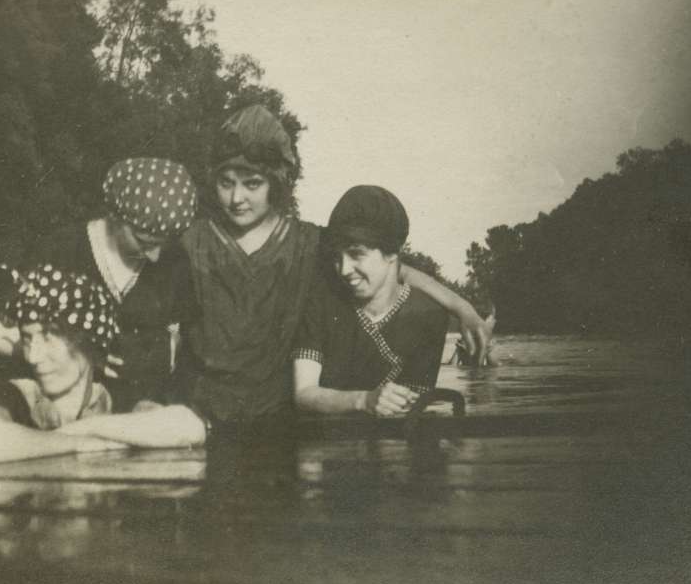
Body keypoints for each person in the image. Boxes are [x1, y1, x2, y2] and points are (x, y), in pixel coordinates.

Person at [175, 104, 492, 423]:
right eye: (226, 183)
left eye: (252, 184)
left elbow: (398, 269)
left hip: (276, 414)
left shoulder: (307, 242)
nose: (236, 198)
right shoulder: (193, 242)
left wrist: (462, 309)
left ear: (276, 182)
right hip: (198, 410)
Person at [0, 157, 197, 411]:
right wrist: (82, 355)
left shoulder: (173, 261)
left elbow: (183, 338)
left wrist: (161, 353)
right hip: (59, 404)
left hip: (135, 410)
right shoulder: (62, 249)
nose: (155, 255)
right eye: (143, 241)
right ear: (116, 216)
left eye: (164, 242)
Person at [0, 264, 207, 464]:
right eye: (28, 339)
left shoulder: (114, 396)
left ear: (90, 342)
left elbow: (189, 428)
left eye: (49, 338)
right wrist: (79, 444)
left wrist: (81, 428)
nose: (33, 356)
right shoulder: (18, 395)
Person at [293, 185, 450, 416]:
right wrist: (363, 400)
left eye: (356, 254)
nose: (344, 269)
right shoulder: (321, 302)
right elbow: (303, 394)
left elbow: (412, 405)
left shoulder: (430, 316)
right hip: (318, 442)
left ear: (392, 253)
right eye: (337, 257)